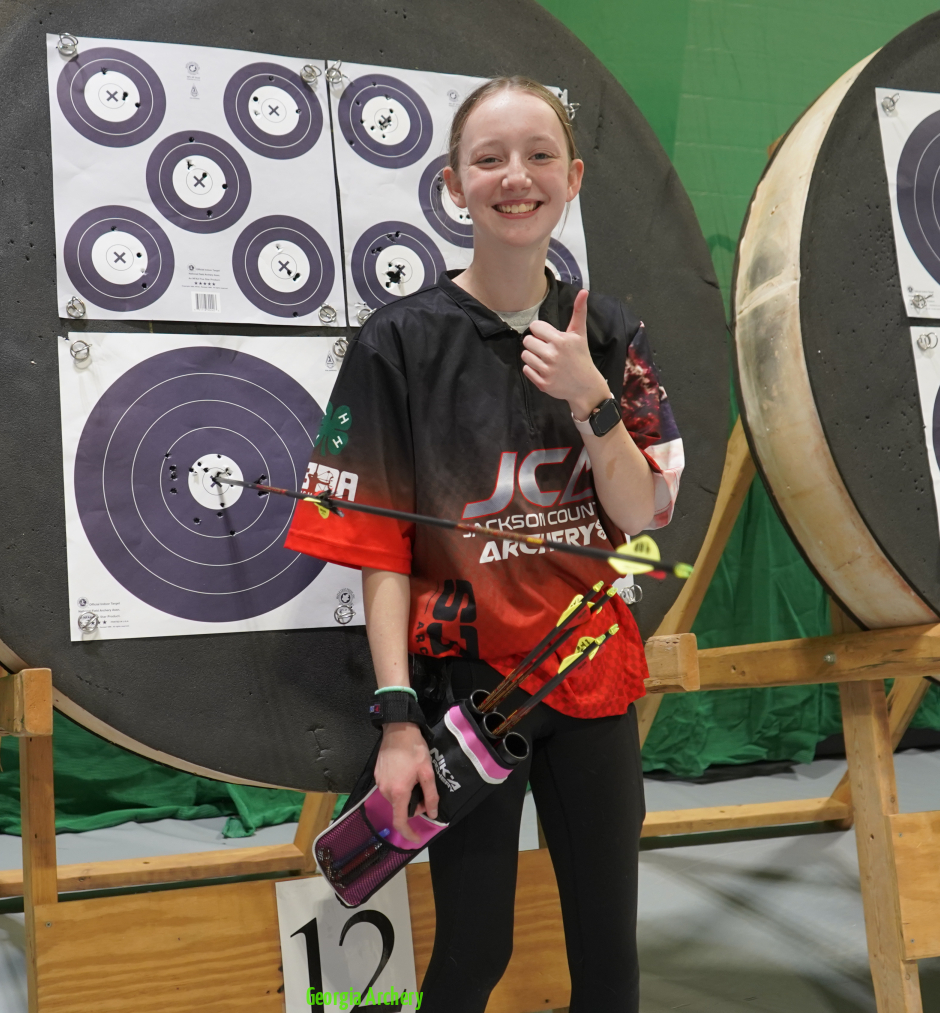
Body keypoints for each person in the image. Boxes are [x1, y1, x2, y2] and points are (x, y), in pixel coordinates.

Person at [286, 77, 683, 1012]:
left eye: (541, 156)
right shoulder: (398, 342)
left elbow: (641, 513)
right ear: (453, 184)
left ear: (573, 178)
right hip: (467, 696)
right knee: (473, 955)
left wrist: (591, 399)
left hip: (590, 679)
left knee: (610, 967)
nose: (517, 177)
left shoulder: (609, 333)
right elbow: (380, 550)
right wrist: (396, 723)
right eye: (490, 158)